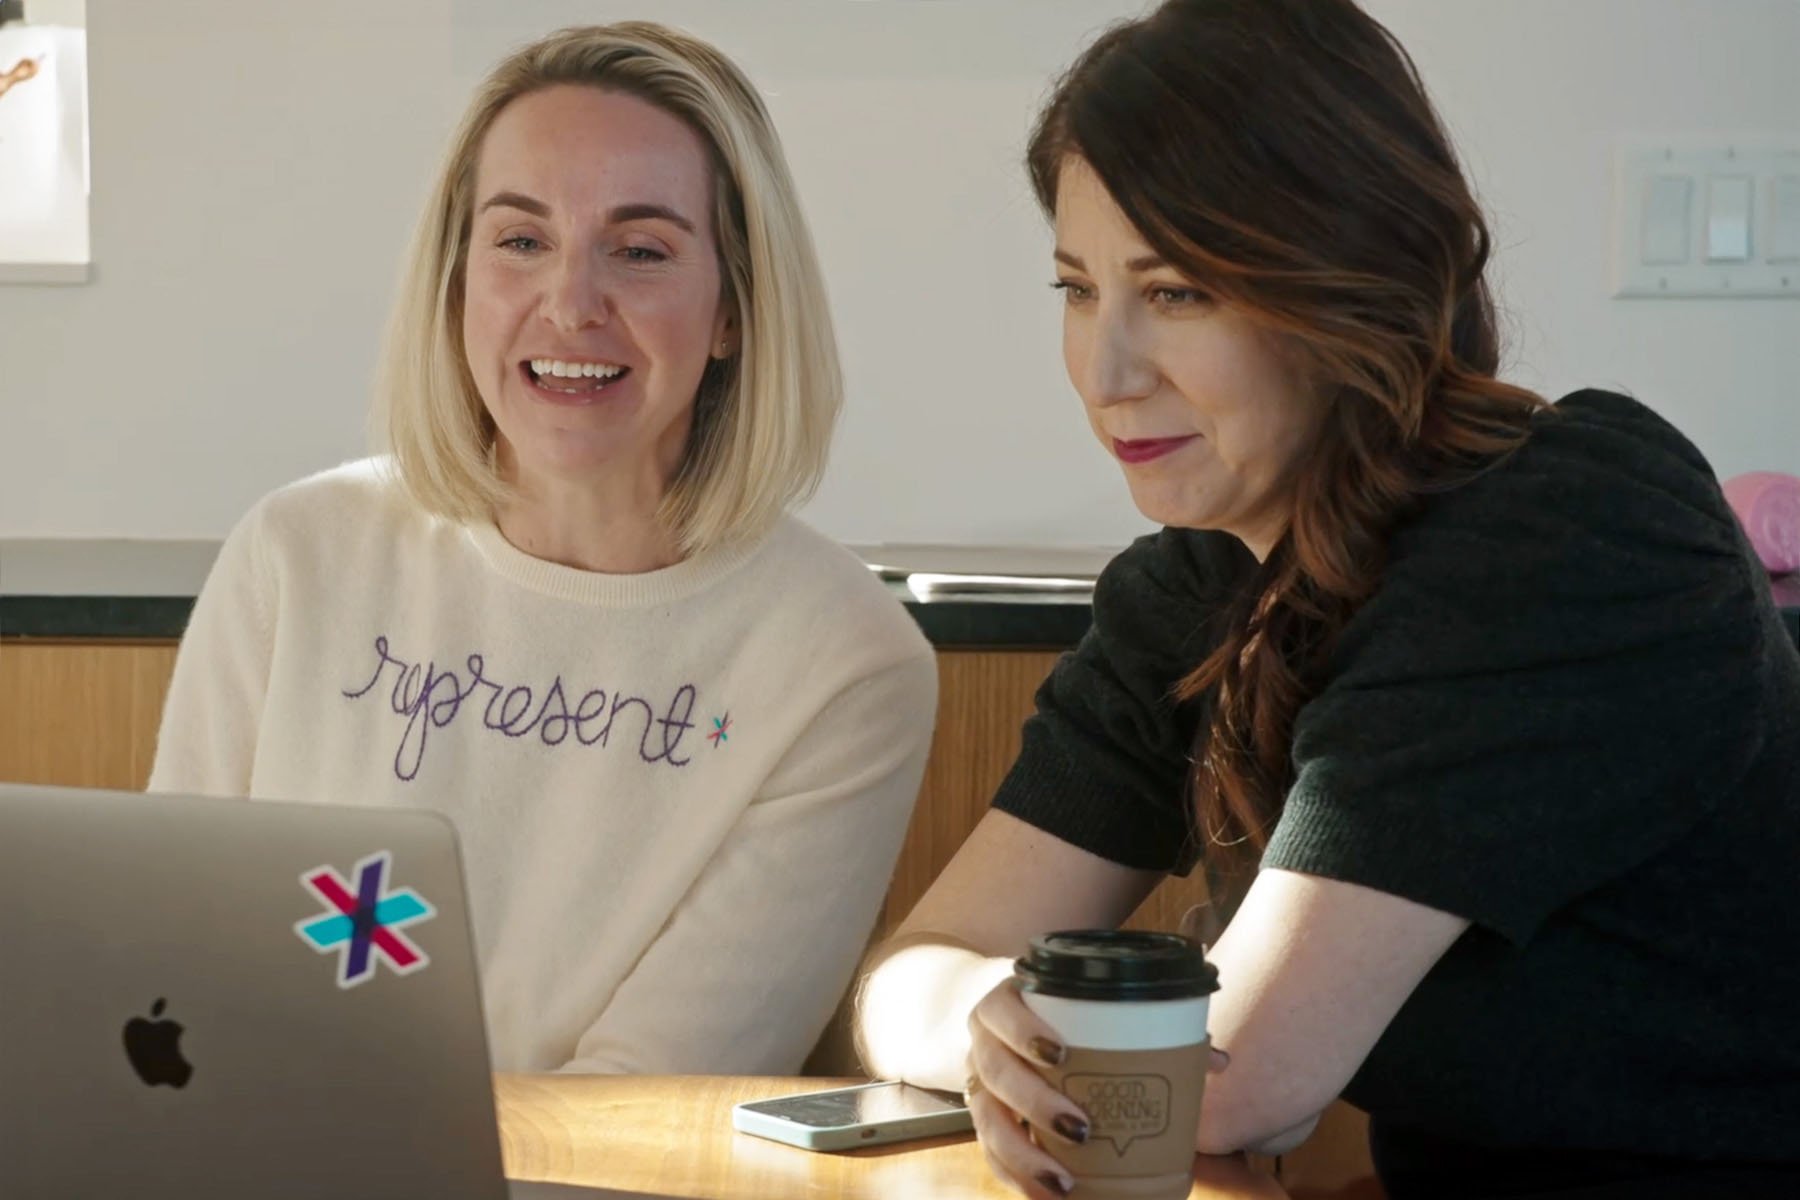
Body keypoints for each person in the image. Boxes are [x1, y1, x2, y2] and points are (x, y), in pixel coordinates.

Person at [853, 2, 1800, 1197]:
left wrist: (1034, 1043)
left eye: (1180, 292)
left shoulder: (1570, 530)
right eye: (1078, 288)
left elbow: (1228, 1077)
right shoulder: (1199, 580)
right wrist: (983, 1027)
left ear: (1349, 281)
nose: (1107, 371)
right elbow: (910, 972)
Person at [150, 22, 937, 1077]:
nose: (570, 306)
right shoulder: (297, 555)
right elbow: (162, 968)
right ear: (457, 280)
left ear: (734, 312)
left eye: (641, 250)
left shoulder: (845, 660)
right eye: (521, 241)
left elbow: (645, 1107)